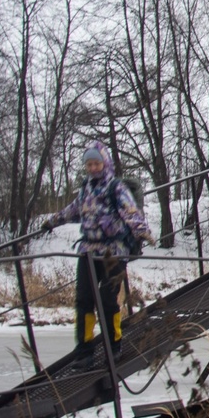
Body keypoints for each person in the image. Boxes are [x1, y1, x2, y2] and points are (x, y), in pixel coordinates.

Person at [40, 141, 153, 359]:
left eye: (96, 164)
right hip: (89, 250)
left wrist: (142, 231)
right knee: (84, 299)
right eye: (89, 164)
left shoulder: (116, 187)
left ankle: (113, 346)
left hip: (113, 251)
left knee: (107, 299)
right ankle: (84, 349)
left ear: (105, 164)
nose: (92, 168)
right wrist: (52, 222)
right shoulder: (86, 189)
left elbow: (131, 211)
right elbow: (72, 211)